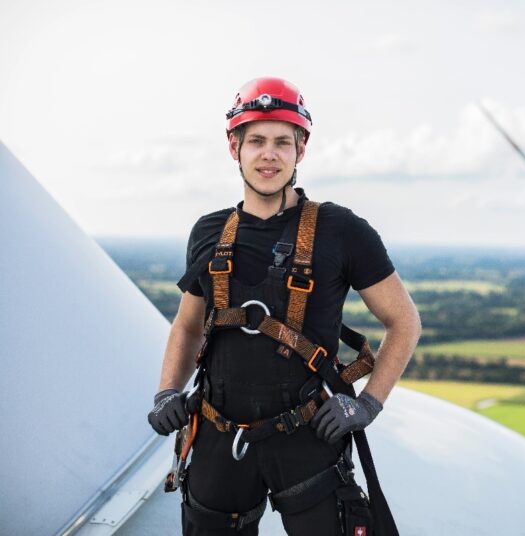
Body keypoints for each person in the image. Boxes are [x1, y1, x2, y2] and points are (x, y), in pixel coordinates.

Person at [147, 76, 421, 536]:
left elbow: (404, 322)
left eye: (281, 142)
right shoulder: (210, 232)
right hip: (217, 432)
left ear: (301, 150)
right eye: (255, 141)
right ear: (234, 148)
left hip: (307, 435)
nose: (268, 154)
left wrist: (369, 404)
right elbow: (188, 326)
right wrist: (167, 391)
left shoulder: (342, 230)